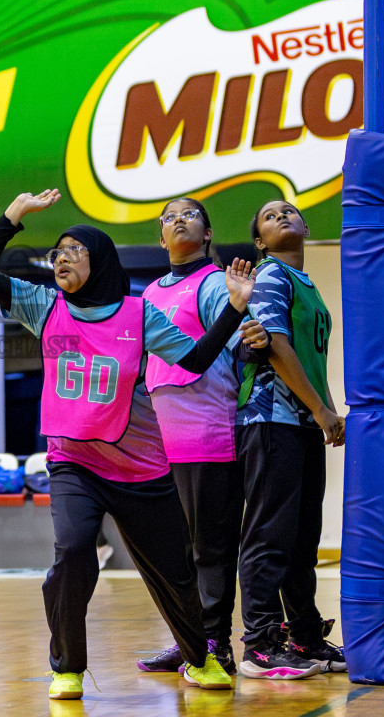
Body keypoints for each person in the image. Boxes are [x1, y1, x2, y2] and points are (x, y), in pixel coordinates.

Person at [0, 187, 268, 700]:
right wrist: (13, 214)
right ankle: (67, 666)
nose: (61, 258)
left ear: (100, 260)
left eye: (73, 251)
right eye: (56, 252)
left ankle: (198, 657)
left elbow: (193, 361)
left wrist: (235, 309)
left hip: (141, 470)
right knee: (73, 552)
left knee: (175, 573)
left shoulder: (138, 313)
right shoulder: (44, 307)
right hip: (74, 463)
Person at [235, 200, 347, 680]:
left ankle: (303, 635)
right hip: (270, 419)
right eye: (268, 215)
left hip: (300, 422)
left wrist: (323, 409)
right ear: (260, 240)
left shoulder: (309, 286)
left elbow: (308, 355)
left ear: (305, 227)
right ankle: (259, 644)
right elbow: (276, 346)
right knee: (269, 536)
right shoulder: (272, 274)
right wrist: (322, 408)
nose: (281, 216)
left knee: (302, 541)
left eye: (289, 211)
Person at [135, 199, 247, 678]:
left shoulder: (216, 284)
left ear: (207, 233)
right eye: (168, 217)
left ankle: (216, 645)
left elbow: (236, 343)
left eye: (189, 214)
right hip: (161, 438)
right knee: (177, 551)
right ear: (161, 239)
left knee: (210, 545)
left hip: (206, 427)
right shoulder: (148, 295)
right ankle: (188, 640)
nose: (178, 220)